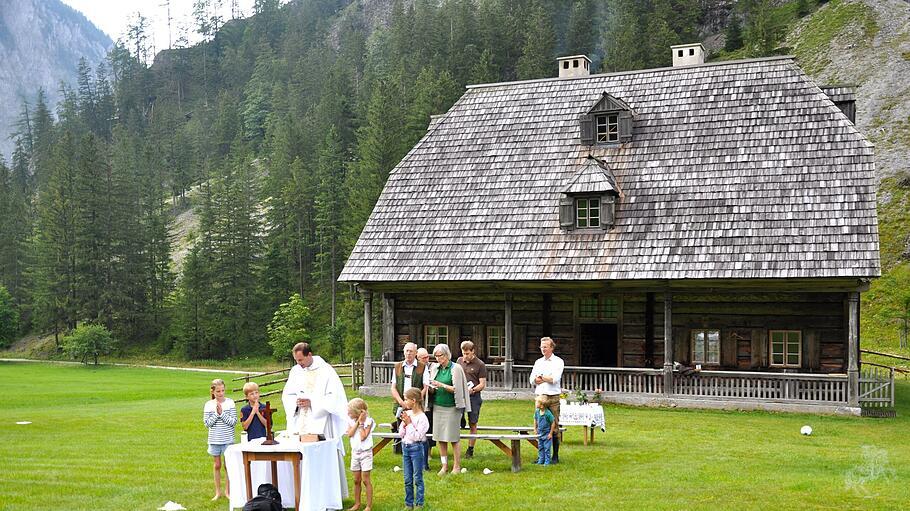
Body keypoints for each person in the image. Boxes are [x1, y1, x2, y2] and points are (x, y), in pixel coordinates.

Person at [280, 342, 349, 440]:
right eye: (296, 360)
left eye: (300, 360)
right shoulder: (296, 371)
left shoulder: (326, 370)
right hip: (301, 417)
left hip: (321, 420)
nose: (298, 363)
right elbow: (288, 395)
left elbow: (334, 396)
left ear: (309, 355)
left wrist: (312, 403)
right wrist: (296, 402)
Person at [426, 343, 471, 475]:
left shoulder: (456, 368)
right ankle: (444, 465)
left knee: (453, 437)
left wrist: (441, 385)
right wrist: (431, 388)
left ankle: (457, 466)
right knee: (440, 437)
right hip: (438, 407)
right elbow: (432, 384)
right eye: (435, 356)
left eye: (439, 356)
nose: (437, 359)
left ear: (446, 355)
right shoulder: (435, 368)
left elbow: (457, 389)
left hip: (452, 408)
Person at [529, 337, 564, 463]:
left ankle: (555, 456)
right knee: (539, 425)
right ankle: (541, 456)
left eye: (545, 347)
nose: (543, 349)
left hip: (553, 396)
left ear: (551, 347)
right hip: (540, 396)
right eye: (541, 347)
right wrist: (542, 378)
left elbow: (554, 378)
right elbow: (532, 379)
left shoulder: (558, 362)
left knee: (554, 425)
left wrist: (541, 377)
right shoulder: (538, 362)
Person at [203, 378, 236, 500]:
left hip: (228, 439)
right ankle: (218, 492)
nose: (221, 393)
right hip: (214, 439)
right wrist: (217, 414)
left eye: (222, 390)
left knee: (228, 465)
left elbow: (233, 422)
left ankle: (228, 492)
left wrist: (222, 413)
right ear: (213, 392)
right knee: (217, 465)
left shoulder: (230, 403)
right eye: (218, 391)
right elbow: (207, 424)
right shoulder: (208, 405)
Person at [390, 342, 425, 454]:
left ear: (415, 353)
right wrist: (401, 402)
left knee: (416, 427)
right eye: (407, 351)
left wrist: (415, 402)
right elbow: (393, 388)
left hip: (415, 404)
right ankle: (401, 450)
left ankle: (418, 451)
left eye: (411, 351)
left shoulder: (422, 367)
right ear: (404, 352)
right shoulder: (397, 367)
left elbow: (425, 387)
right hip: (401, 404)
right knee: (402, 427)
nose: (408, 353)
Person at [456, 340, 487, 458]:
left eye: (468, 353)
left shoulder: (480, 364)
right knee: (456, 418)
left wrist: (473, 390)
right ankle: (461, 418)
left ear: (473, 352)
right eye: (463, 353)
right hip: (461, 396)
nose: (465, 356)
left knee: (473, 423)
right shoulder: (459, 361)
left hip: (474, 397)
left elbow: (482, 384)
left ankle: (470, 449)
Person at [400, 388, 429, 510]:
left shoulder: (423, 418)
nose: (404, 401)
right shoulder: (409, 414)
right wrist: (404, 423)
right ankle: (409, 503)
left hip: (416, 448)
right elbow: (401, 433)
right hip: (405, 447)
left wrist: (409, 424)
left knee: (417, 478)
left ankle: (419, 503)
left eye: (406, 399)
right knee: (407, 478)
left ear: (414, 400)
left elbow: (417, 436)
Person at [345, 398, 375, 511]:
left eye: (350, 411)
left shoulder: (369, 421)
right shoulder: (350, 421)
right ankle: (357, 504)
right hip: (355, 453)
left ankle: (368, 506)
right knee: (356, 480)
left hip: (366, 453)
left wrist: (361, 423)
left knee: (365, 480)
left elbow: (363, 437)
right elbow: (350, 434)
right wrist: (357, 422)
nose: (348, 413)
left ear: (358, 412)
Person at [416, 347, 433, 470]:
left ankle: (428, 455)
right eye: (424, 357)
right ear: (418, 358)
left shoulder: (432, 367)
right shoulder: (415, 368)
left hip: (429, 404)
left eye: (428, 357)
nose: (427, 359)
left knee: (428, 429)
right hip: (416, 404)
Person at [533, 395, 556, 465]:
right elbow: (535, 419)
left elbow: (553, 422)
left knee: (547, 448)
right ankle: (541, 460)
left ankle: (547, 461)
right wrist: (535, 428)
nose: (536, 403)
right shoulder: (537, 412)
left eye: (537, 402)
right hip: (540, 433)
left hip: (547, 434)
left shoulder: (547, 413)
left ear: (542, 405)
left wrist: (550, 433)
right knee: (540, 447)